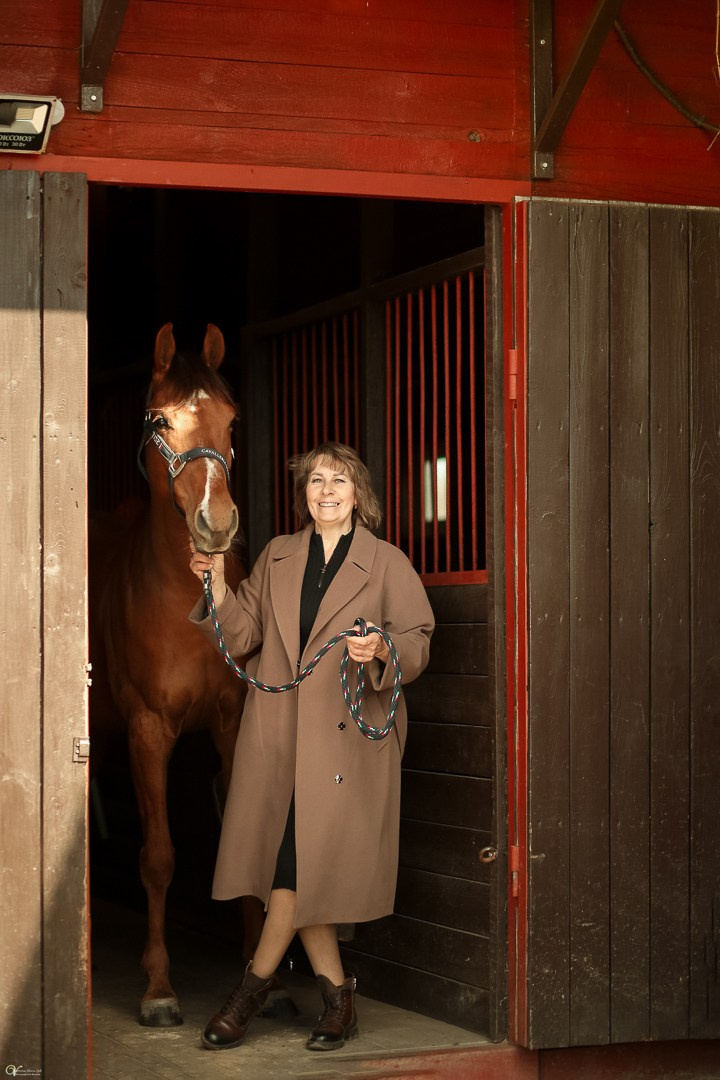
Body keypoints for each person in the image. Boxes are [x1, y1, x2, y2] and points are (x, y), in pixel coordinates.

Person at [188, 441, 434, 1053]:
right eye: (316, 481)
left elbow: (418, 637)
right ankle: (337, 997)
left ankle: (247, 995)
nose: (325, 491)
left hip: (344, 744)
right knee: (295, 867)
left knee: (293, 868)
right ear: (304, 493)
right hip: (280, 734)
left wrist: (380, 647)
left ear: (359, 495)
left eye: (339, 481)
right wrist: (217, 580)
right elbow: (242, 631)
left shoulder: (386, 562)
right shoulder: (277, 556)